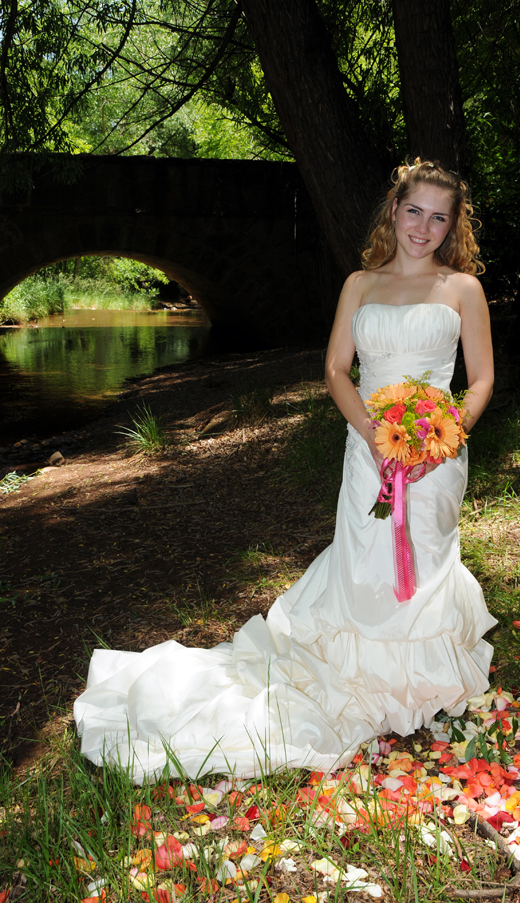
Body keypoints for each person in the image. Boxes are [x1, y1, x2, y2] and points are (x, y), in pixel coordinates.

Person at [74, 159, 497, 784]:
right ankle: (359, 670)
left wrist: (444, 436)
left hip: (437, 454)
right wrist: (374, 440)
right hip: (369, 446)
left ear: (453, 226)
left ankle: (422, 676)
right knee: (365, 554)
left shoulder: (462, 289)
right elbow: (335, 370)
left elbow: (483, 378)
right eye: (414, 211)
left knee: (426, 556)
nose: (423, 227)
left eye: (440, 217)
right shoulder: (358, 283)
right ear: (394, 209)